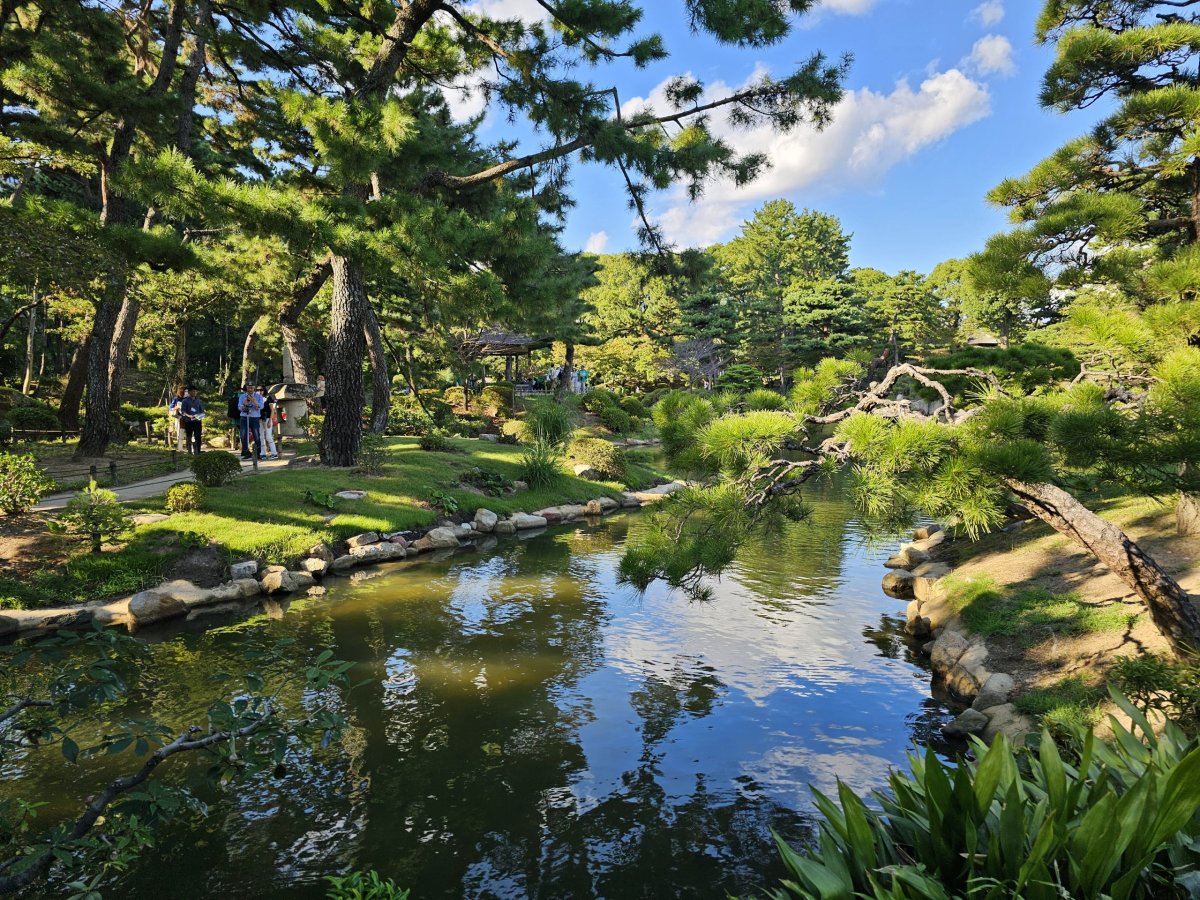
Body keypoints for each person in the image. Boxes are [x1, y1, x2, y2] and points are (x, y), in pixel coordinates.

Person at [237, 382, 262, 460]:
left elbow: (261, 406)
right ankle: (246, 452)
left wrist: (254, 401)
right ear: (246, 388)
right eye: (248, 387)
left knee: (256, 435)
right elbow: (239, 407)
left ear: (254, 388)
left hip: (255, 417)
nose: (250, 389)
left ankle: (258, 453)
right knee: (243, 435)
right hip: (244, 417)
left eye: (251, 387)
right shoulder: (242, 396)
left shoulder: (258, 396)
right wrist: (245, 404)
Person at [179, 386, 205, 456]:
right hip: (188, 421)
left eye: (196, 391)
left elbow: (202, 412)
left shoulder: (199, 401)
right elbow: (183, 411)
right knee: (189, 436)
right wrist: (189, 416)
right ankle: (189, 451)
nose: (195, 393)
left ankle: (198, 451)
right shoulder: (185, 401)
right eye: (193, 391)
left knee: (198, 436)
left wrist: (198, 416)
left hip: (197, 421)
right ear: (189, 392)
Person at [257, 384, 279, 460]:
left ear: (264, 390)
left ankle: (274, 453)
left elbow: (272, 410)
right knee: (261, 437)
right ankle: (263, 453)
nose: (259, 391)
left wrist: (270, 420)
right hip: (259, 419)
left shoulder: (268, 398)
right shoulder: (256, 398)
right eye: (257, 390)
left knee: (268, 436)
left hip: (267, 419)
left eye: (261, 390)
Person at [167, 387, 185, 452]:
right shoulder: (176, 399)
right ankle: (180, 448)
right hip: (179, 417)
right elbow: (170, 408)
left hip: (188, 418)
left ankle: (191, 447)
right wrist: (176, 407)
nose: (184, 393)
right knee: (180, 433)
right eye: (182, 392)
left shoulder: (189, 399)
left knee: (190, 433)